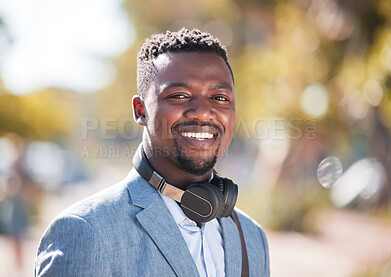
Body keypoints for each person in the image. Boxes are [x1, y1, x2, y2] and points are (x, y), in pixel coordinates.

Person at [35, 28, 270, 277]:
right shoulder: (85, 231)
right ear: (140, 110)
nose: (203, 112)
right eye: (180, 95)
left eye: (220, 97)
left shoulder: (252, 236)